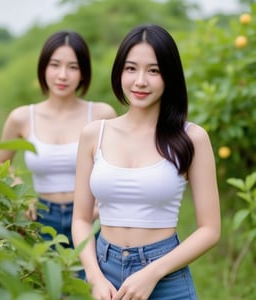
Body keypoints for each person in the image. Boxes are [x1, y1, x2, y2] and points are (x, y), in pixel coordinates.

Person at [72, 24, 221, 299]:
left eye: (153, 70)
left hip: (166, 276)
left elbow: (210, 230)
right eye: (131, 69)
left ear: (170, 76)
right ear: (119, 73)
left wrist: (152, 273)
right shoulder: (94, 134)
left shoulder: (192, 138)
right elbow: (81, 219)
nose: (140, 81)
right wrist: (94, 278)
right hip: (104, 274)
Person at [0, 30, 116, 252]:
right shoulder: (21, 117)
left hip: (93, 217)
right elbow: (1, 165)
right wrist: (20, 194)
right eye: (55, 65)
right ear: (43, 68)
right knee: (42, 284)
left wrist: (102, 203)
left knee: (92, 284)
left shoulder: (101, 115)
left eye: (73, 67)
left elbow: (121, 165)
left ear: (83, 73)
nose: (62, 75)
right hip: (40, 217)